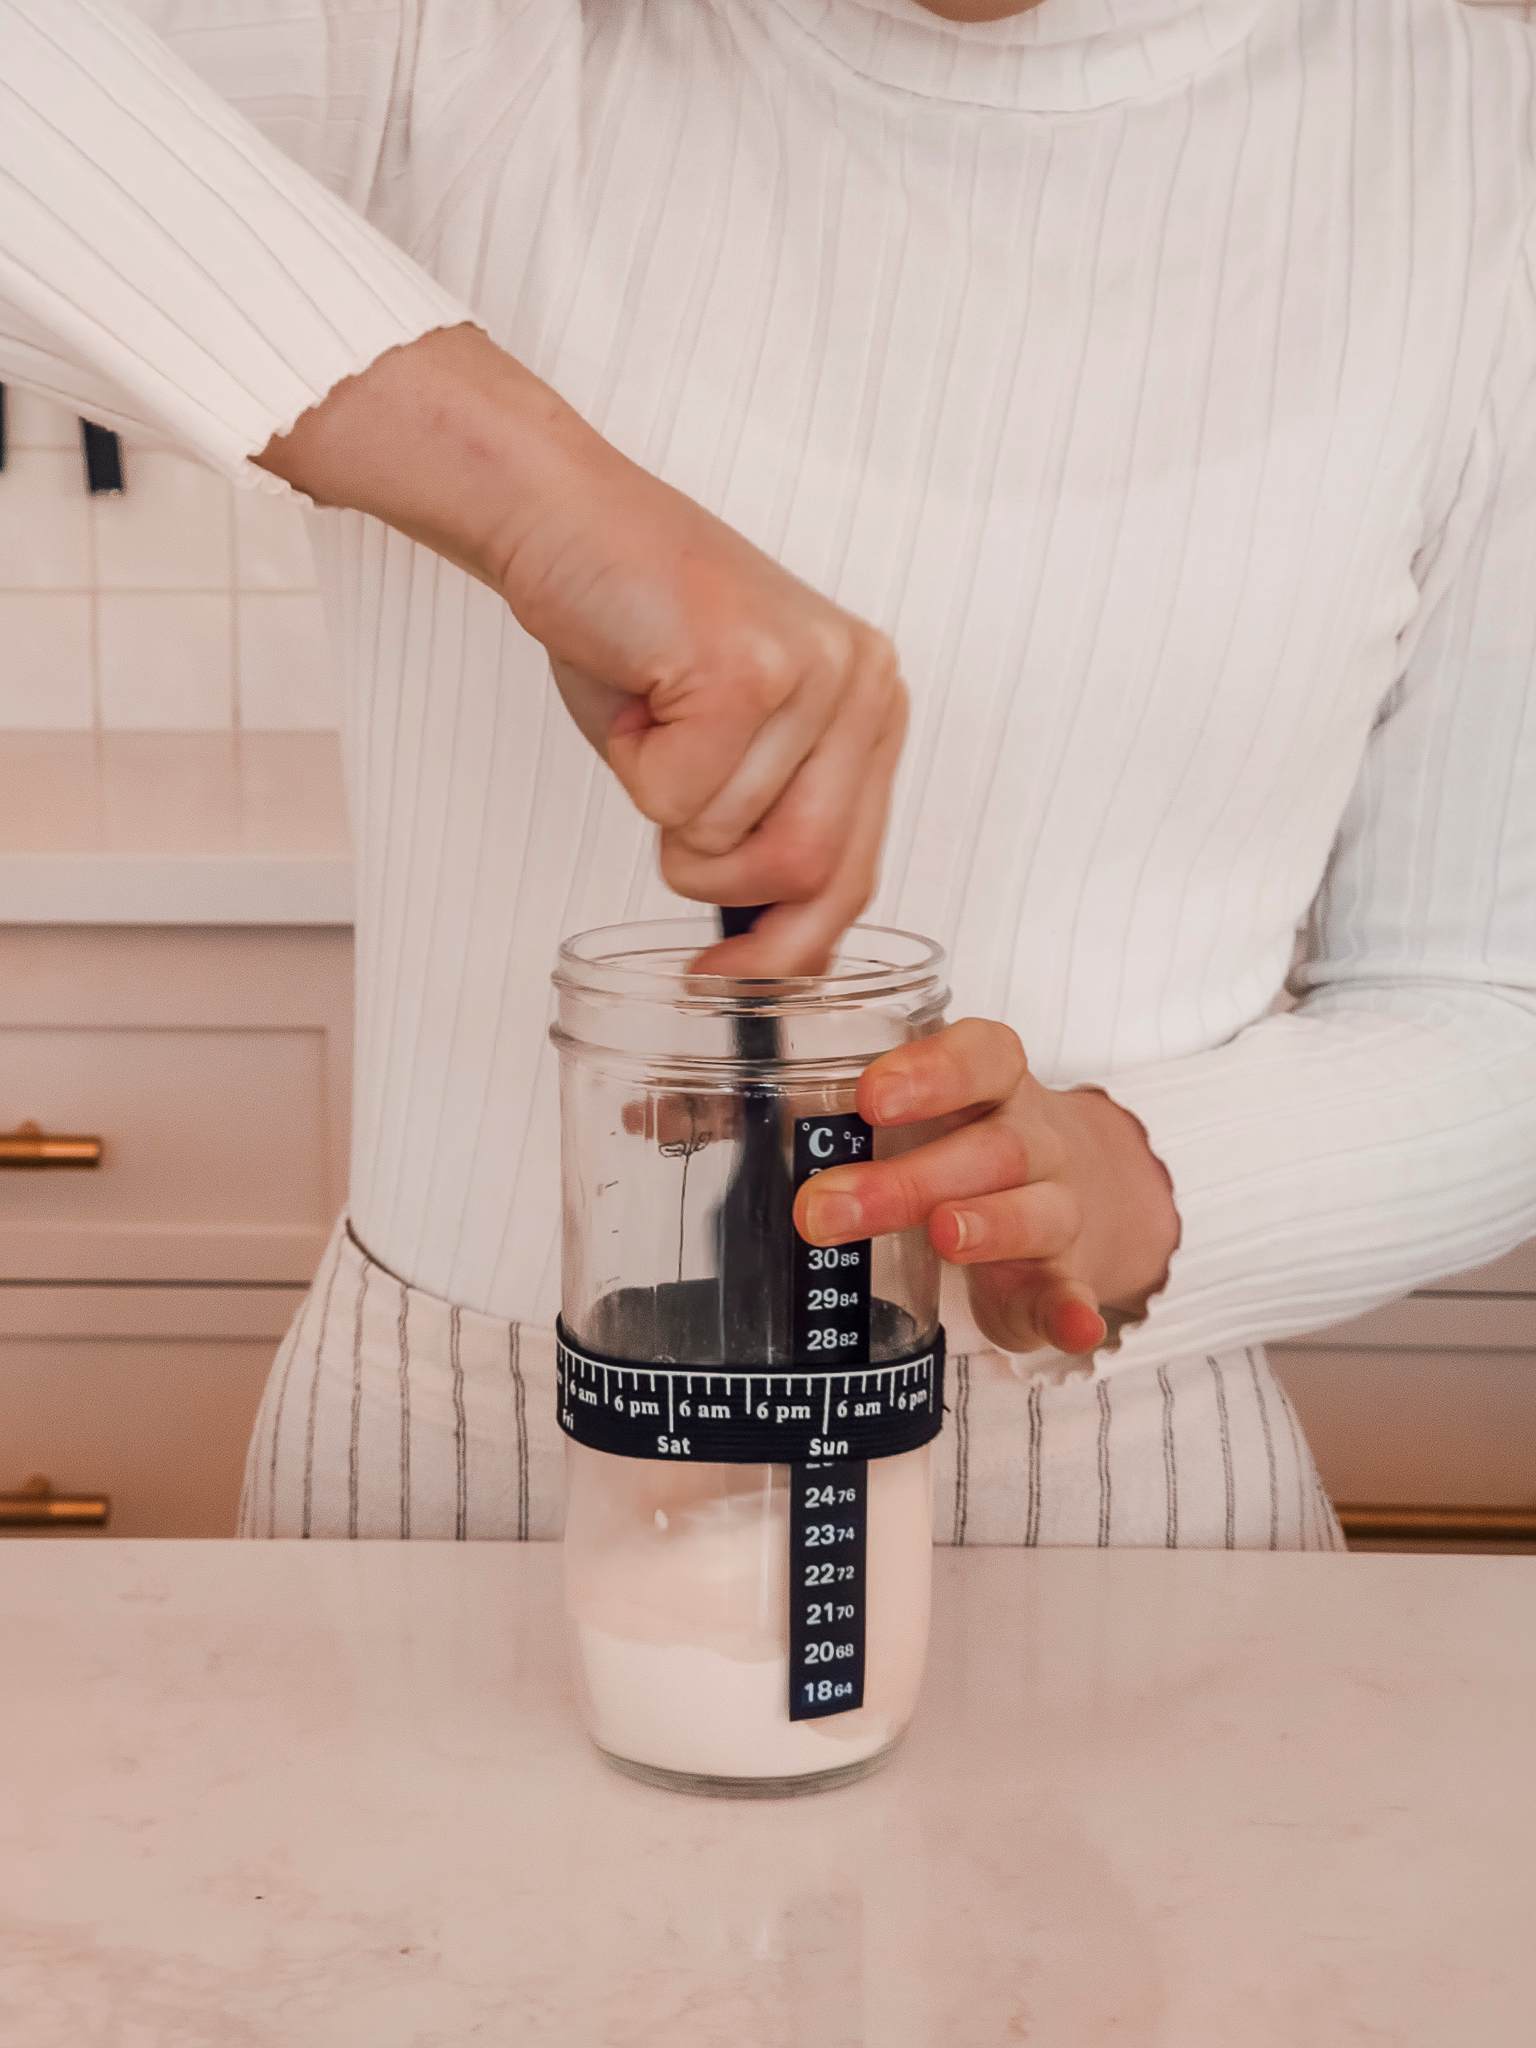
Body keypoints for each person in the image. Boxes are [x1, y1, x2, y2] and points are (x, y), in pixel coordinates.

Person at [3, 0, 1533, 1549]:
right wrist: (547, 499)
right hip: (435, 1486)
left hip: (1107, 1499)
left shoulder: (1480, 133)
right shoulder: (435, 32)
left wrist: (1133, 1183)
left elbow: (1498, 1005)